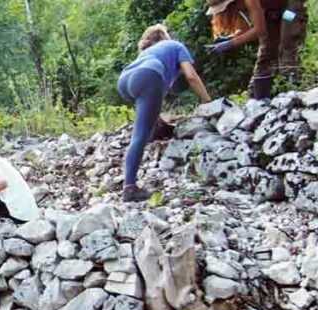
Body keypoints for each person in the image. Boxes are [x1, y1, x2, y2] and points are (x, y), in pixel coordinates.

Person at [117, 25, 211, 202]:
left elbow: (147, 96)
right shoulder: (176, 46)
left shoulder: (147, 53)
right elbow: (191, 76)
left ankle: (152, 130)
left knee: (144, 127)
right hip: (147, 76)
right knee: (140, 137)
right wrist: (209, 103)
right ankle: (129, 189)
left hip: (124, 80)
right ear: (165, 37)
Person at [205, 0, 308, 99]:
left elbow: (259, 30)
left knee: (287, 42)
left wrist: (230, 44)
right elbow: (245, 29)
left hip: (290, 8)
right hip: (270, 10)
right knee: (267, 50)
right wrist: (230, 38)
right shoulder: (238, 7)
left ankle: (293, 91)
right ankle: (255, 98)